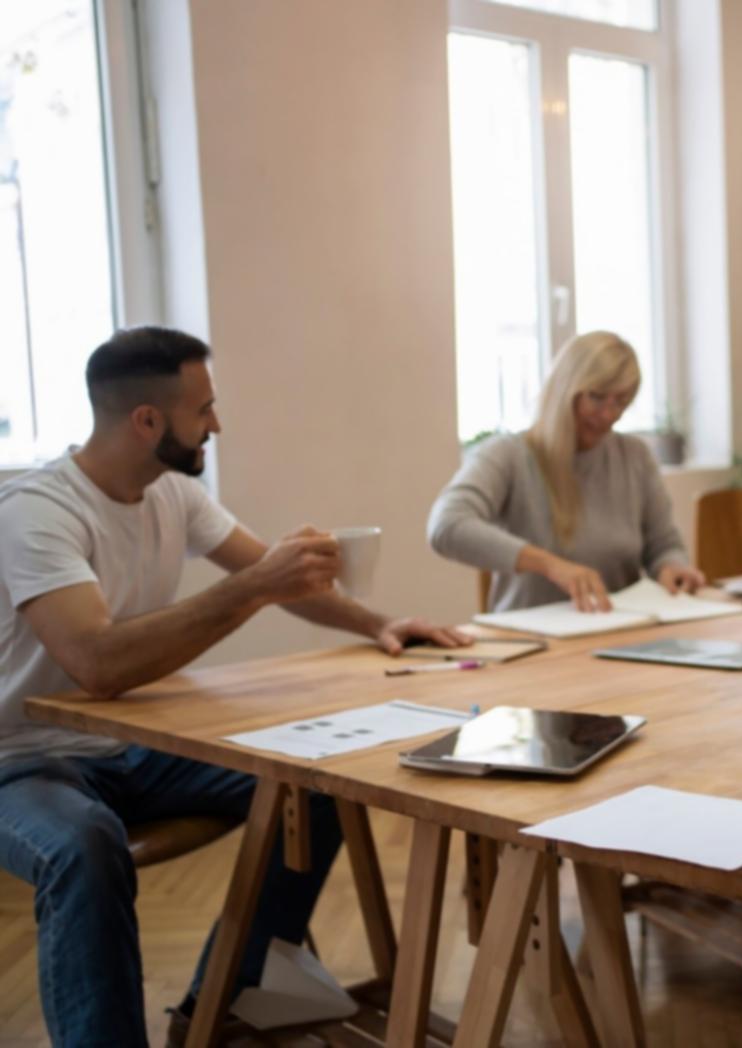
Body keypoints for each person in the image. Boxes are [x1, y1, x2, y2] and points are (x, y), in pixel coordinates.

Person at [0, 326, 470, 1046]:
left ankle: (221, 1005)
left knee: (314, 787)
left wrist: (381, 622)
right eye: (205, 409)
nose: (216, 424)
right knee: (85, 847)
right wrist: (254, 587)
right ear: (148, 422)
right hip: (21, 760)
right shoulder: (38, 512)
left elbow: (277, 582)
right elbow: (97, 664)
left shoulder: (173, 496)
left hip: (128, 748)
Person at [428, 330, 704, 612]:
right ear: (565, 389)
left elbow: (664, 545)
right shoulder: (508, 454)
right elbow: (447, 525)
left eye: (620, 401)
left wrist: (673, 567)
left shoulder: (634, 456)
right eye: (596, 397)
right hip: (534, 637)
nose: (608, 414)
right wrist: (550, 565)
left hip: (619, 630)